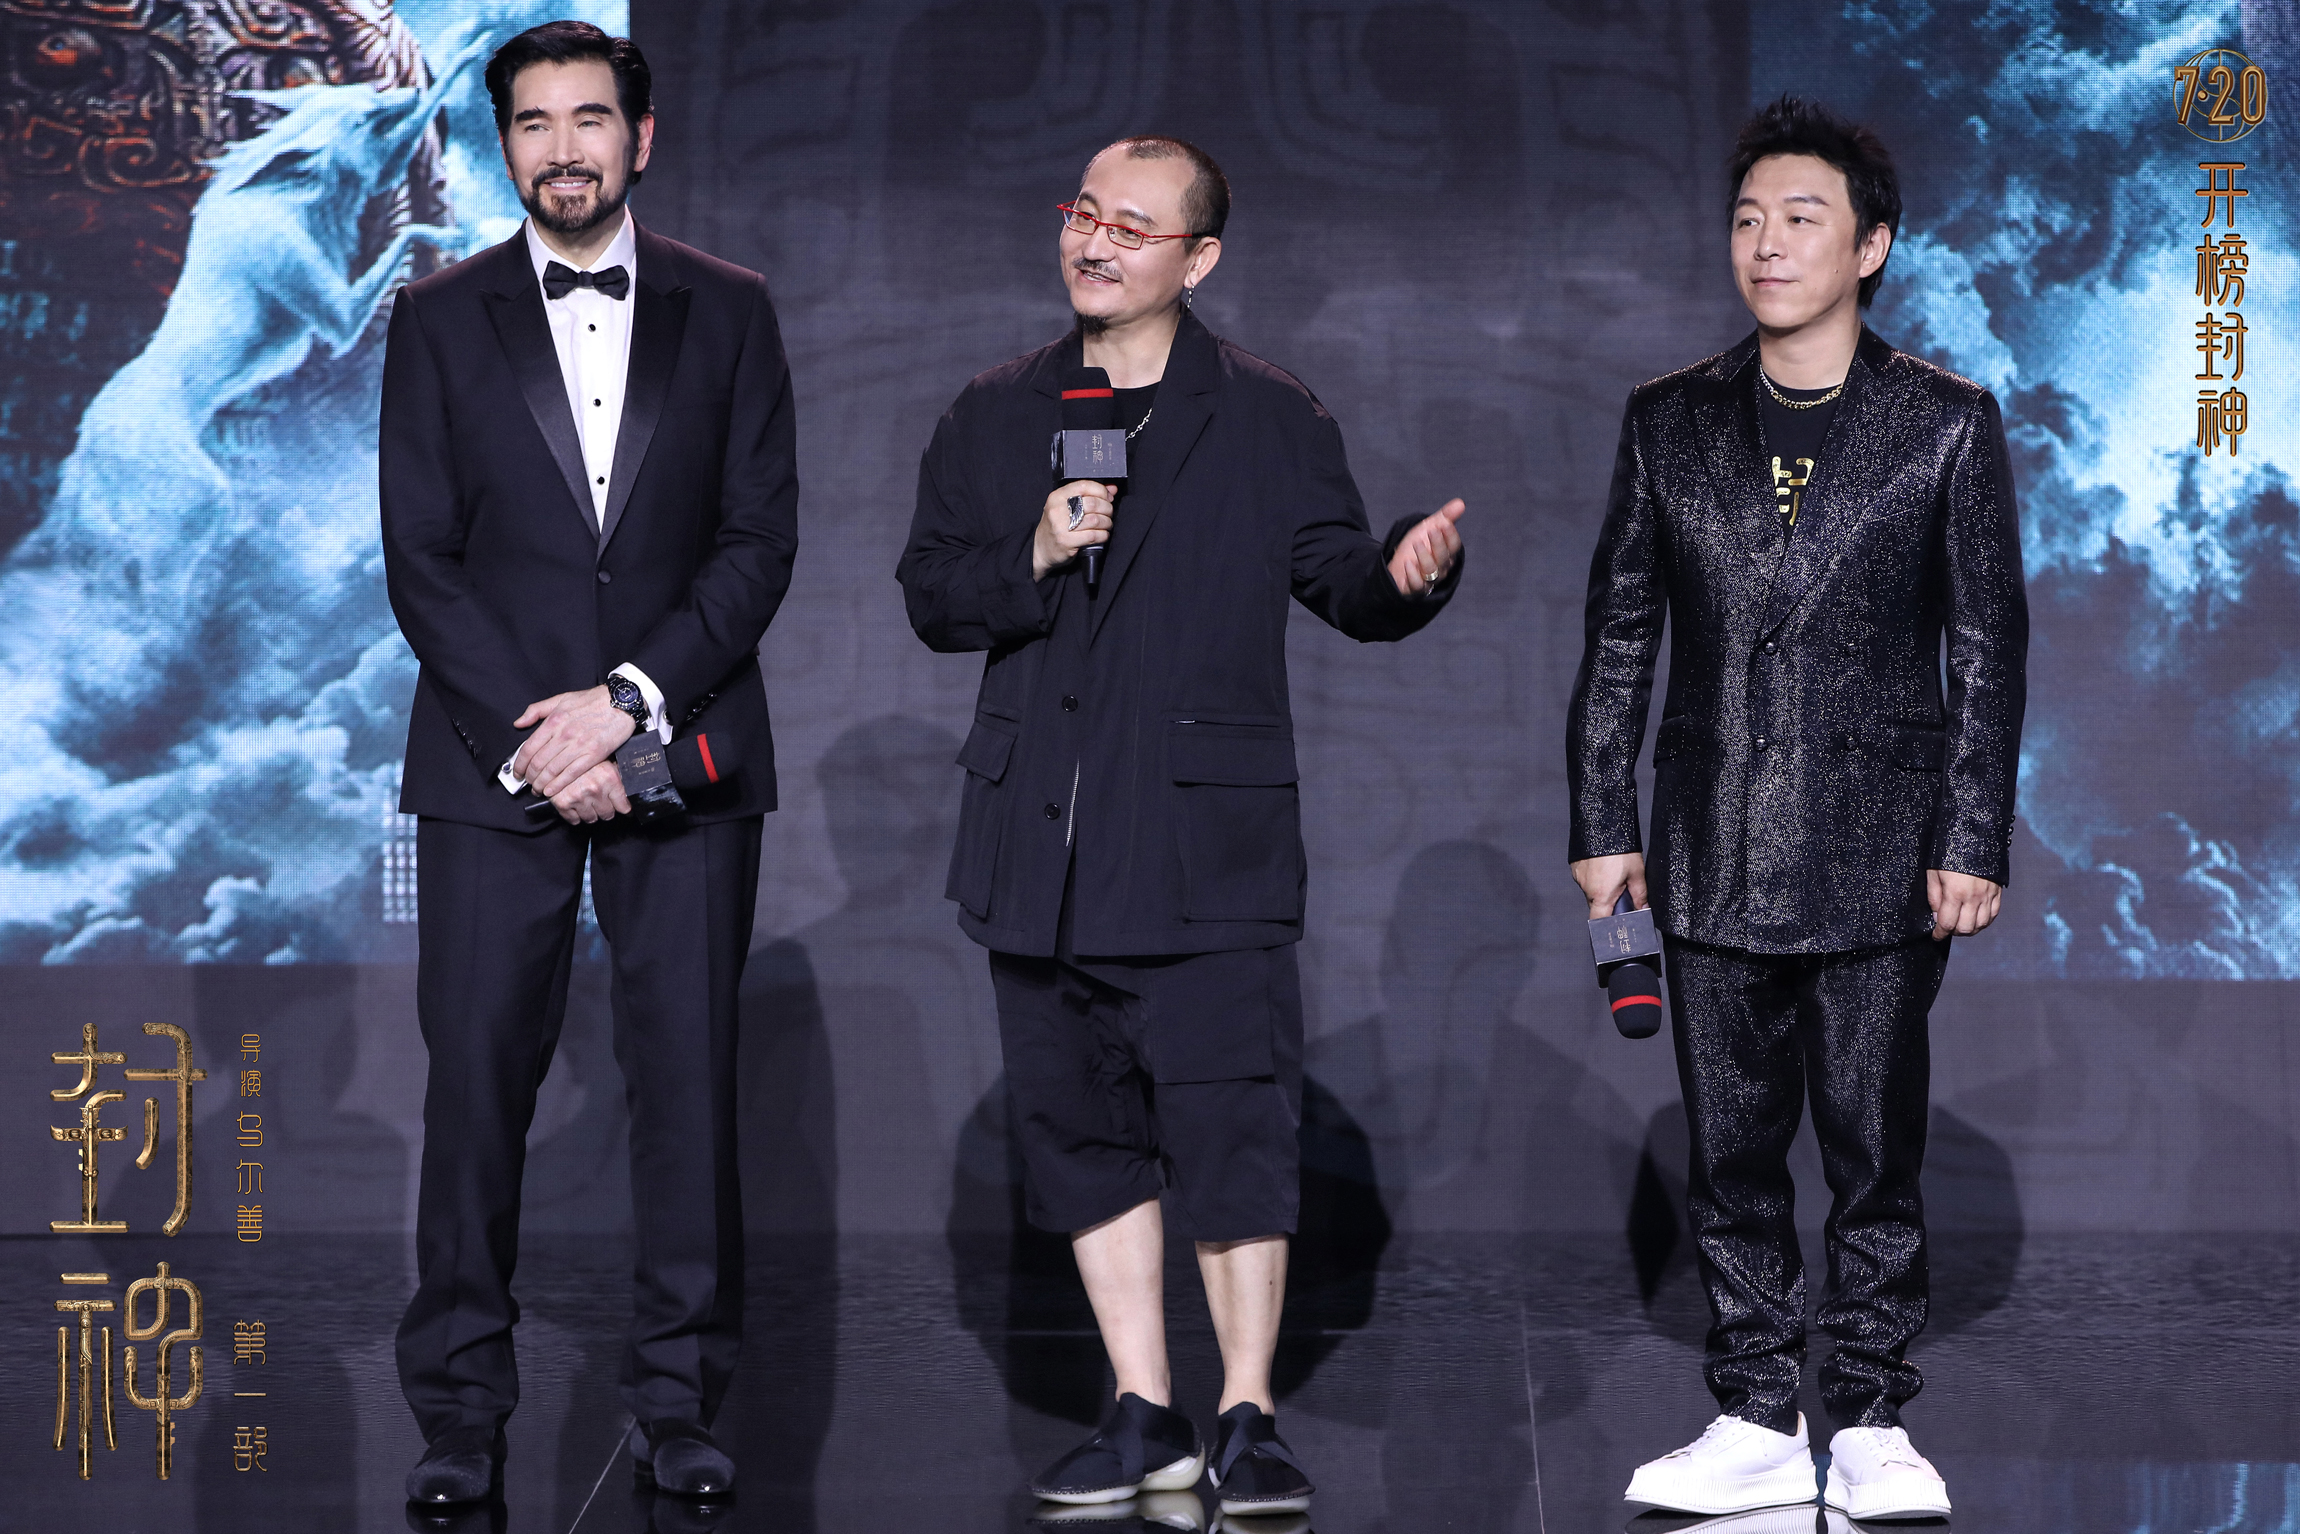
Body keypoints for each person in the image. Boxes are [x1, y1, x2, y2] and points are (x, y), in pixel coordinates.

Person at [897, 136, 1465, 1517]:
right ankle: (1143, 1408)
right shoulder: (997, 410)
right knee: (1081, 1133)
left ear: (1199, 258)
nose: (1095, 242)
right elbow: (933, 594)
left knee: (1231, 1136)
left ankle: (1248, 1413)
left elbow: (1341, 578)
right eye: (1084, 214)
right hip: (1040, 848)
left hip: (1206, 856)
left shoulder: (1268, 413)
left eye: (1134, 227)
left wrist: (1406, 576)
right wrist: (1035, 550)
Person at [1566, 95, 2025, 1521]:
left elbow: (1986, 645)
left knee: (1875, 1148)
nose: (1767, 244)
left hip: (1882, 845)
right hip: (1709, 831)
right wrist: (1602, 819)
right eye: (1749, 219)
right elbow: (1622, 633)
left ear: (1870, 245)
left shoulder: (1944, 423)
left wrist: (1971, 835)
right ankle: (1758, 1411)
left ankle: (1873, 1417)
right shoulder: (1668, 419)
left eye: (1802, 218)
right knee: (1731, 1151)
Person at [381, 20, 798, 1506]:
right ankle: (458, 1418)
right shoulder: (437, 317)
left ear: (643, 136)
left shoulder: (731, 308)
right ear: (504, 145)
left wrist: (623, 704)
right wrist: (545, 738)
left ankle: (680, 1402)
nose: (563, 148)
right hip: (490, 766)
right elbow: (422, 561)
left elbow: (759, 542)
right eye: (533, 123)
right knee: (473, 1094)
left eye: (589, 118)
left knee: (687, 1088)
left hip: (682, 753)